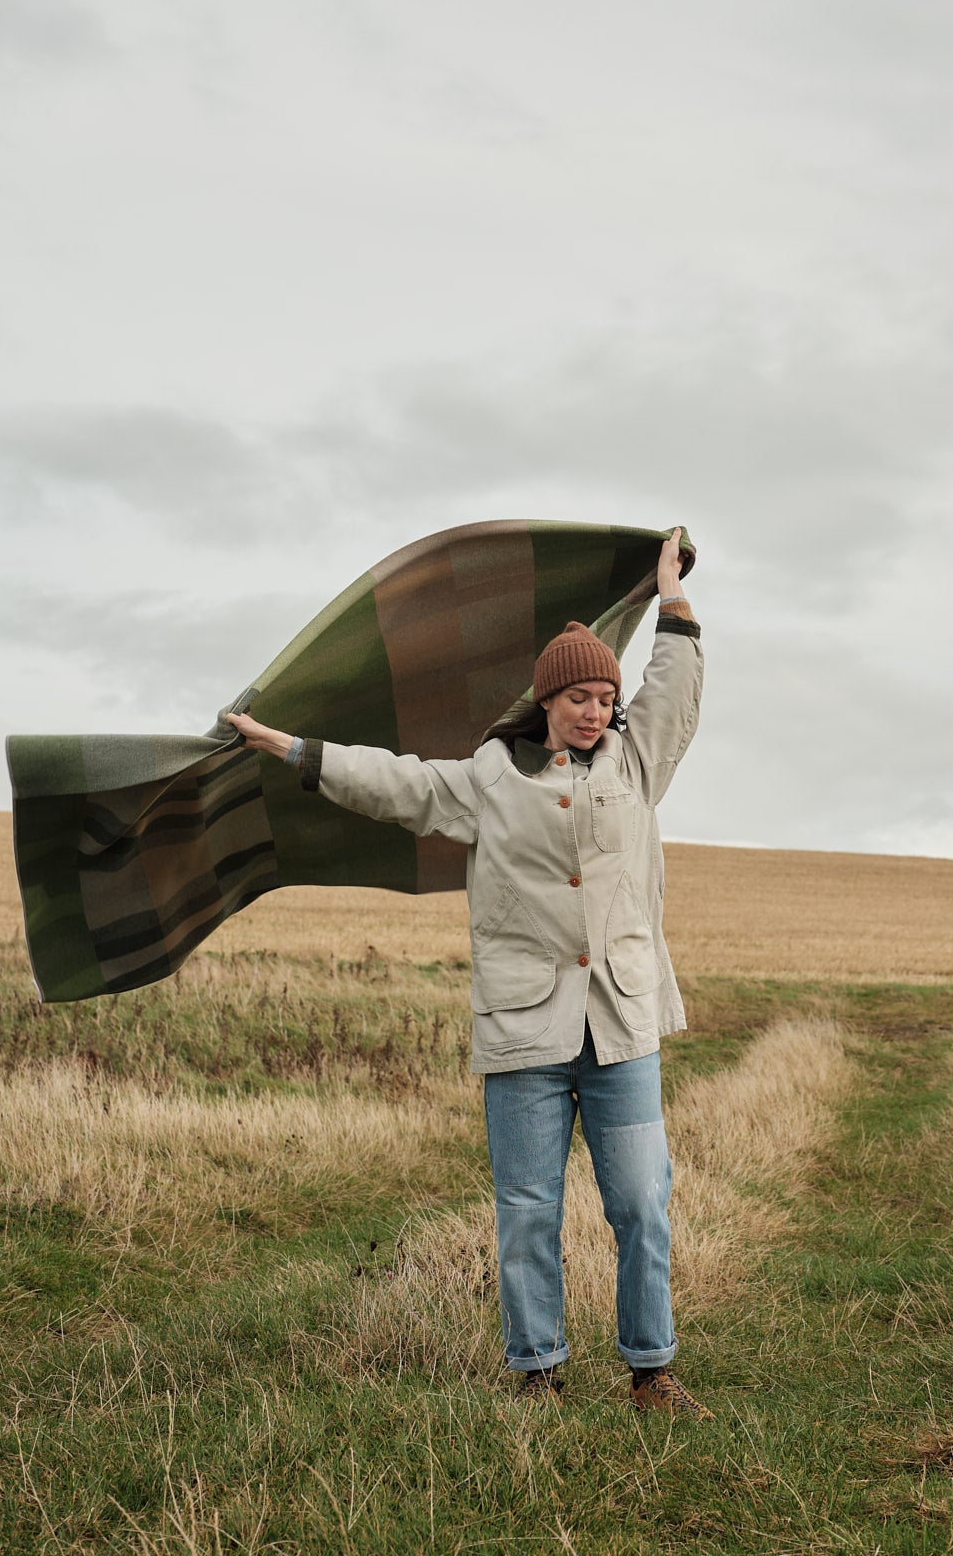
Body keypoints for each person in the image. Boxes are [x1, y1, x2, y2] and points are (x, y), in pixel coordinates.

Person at [227, 529, 708, 1416]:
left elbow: (673, 692)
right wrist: (292, 749)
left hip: (621, 1025)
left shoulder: (637, 768)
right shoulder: (488, 781)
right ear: (546, 700)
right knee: (529, 1212)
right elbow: (393, 783)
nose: (595, 709)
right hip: (525, 1029)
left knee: (642, 1203)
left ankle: (652, 1370)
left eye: (606, 695)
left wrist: (671, 597)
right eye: (578, 695)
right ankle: (538, 1373)